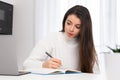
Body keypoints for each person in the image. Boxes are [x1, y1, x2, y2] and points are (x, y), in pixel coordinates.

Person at [23, 5, 99, 73]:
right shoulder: (51, 38)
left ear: (84, 29)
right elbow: (27, 64)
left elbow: (96, 74)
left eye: (77, 26)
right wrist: (44, 65)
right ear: (64, 21)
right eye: (68, 23)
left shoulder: (87, 46)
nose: (71, 29)